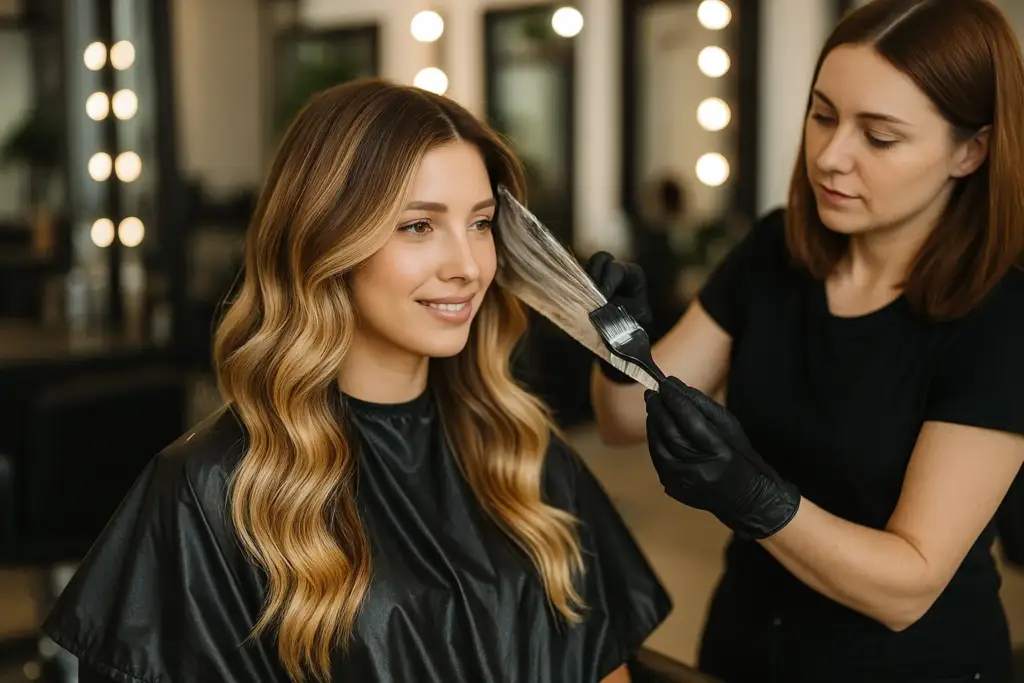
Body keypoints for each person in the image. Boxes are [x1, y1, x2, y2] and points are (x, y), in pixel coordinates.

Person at [43, 78, 671, 683]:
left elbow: (602, 666)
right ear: (326, 240)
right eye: (418, 225)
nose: (468, 266)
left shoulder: (520, 450)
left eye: (480, 224)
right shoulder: (213, 490)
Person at [587, 0, 1024, 681]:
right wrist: (624, 340)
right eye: (822, 115)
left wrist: (755, 497)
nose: (830, 156)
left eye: (879, 138)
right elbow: (620, 420)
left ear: (971, 150)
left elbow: (907, 586)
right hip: (745, 646)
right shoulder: (775, 251)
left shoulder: (1002, 315)